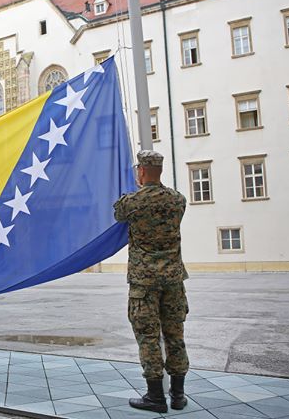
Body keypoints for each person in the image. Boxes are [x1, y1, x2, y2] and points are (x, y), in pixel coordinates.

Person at [113, 150, 189, 413]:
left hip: (144, 283)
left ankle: (155, 397)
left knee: (148, 337)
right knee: (175, 336)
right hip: (173, 281)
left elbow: (118, 213)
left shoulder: (133, 202)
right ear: (161, 170)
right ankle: (178, 395)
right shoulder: (178, 200)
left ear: (142, 171)